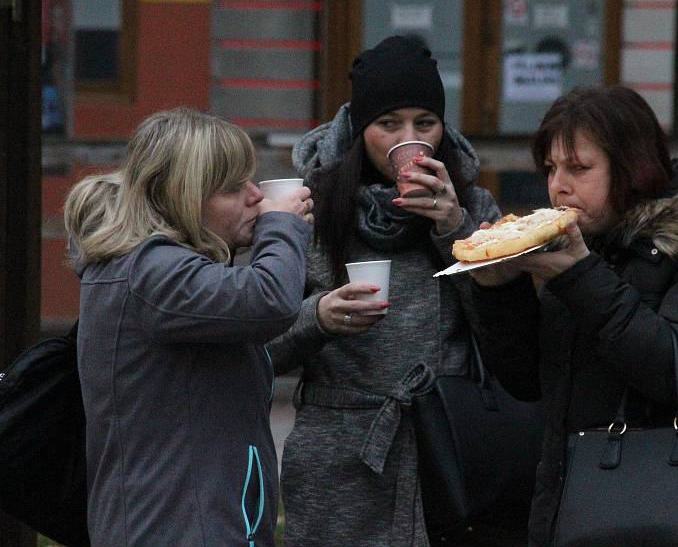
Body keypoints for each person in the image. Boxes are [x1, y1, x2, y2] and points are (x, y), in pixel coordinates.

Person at [468, 85, 678, 546]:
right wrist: (497, 290)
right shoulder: (590, 246)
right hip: (571, 512)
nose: (557, 186)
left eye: (579, 168)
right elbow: (531, 381)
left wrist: (578, 274)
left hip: (674, 509)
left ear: (632, 167)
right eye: (551, 168)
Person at [266, 35, 518, 546]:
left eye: (424, 123)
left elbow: (508, 333)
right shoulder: (309, 210)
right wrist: (319, 317)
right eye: (389, 124)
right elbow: (259, 346)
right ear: (360, 131)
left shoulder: (474, 206)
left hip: (450, 444)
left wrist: (456, 232)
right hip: (337, 456)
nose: (409, 138)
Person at [63, 107, 314, 547]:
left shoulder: (156, 269)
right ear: (184, 195)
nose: (256, 196)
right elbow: (270, 298)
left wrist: (321, 320)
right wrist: (283, 225)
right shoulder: (153, 272)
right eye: (233, 188)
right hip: (176, 531)